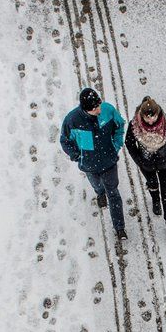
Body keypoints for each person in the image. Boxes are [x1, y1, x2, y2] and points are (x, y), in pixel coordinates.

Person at [60, 87, 128, 241]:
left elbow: (120, 125)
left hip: (109, 162)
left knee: (114, 193)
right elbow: (65, 141)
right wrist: (77, 156)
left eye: (99, 105)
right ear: (85, 110)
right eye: (95, 108)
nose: (99, 110)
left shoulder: (108, 110)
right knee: (97, 184)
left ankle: (120, 228)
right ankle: (99, 193)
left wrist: (116, 144)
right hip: (90, 165)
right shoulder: (72, 120)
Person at [125, 96, 166, 241]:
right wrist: (140, 161)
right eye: (147, 117)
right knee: (153, 184)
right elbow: (129, 144)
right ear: (142, 115)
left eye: (153, 117)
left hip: (165, 163)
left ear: (158, 114)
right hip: (146, 164)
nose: (151, 121)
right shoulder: (134, 125)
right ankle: (155, 200)